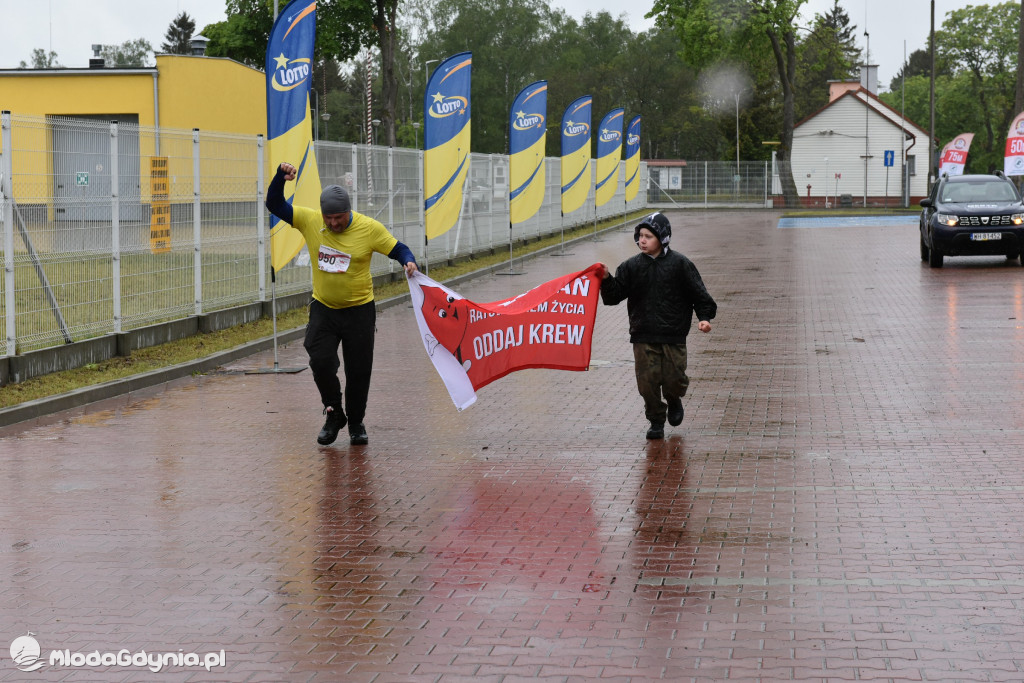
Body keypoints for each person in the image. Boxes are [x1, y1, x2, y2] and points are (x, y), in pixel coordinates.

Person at [265, 162, 419, 446]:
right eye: (329, 218)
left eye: (339, 217)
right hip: (324, 307)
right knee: (320, 360)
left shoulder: (368, 228)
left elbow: (398, 248)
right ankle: (333, 412)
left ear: (349, 211)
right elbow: (274, 204)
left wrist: (408, 261)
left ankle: (356, 422)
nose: (334, 223)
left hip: (360, 309)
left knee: (358, 370)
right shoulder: (311, 221)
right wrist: (280, 178)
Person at [599, 212, 717, 440]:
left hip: (673, 334)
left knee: (675, 379)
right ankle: (656, 420)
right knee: (647, 382)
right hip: (643, 334)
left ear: (662, 239)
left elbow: (700, 295)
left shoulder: (680, 264)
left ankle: (674, 399)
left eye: (648, 236)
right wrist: (606, 278)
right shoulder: (631, 266)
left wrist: (704, 317)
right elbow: (614, 296)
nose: (642, 240)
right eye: (640, 236)